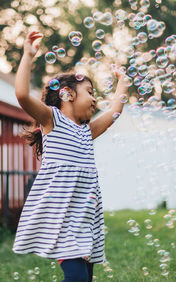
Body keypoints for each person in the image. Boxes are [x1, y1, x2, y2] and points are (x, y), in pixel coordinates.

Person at [12, 31, 128, 282]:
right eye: (89, 91)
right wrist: (28, 55)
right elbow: (21, 94)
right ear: (68, 94)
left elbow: (114, 114)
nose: (95, 98)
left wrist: (123, 83)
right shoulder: (52, 120)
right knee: (77, 279)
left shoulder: (86, 131)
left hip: (84, 219)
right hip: (61, 219)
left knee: (85, 278)